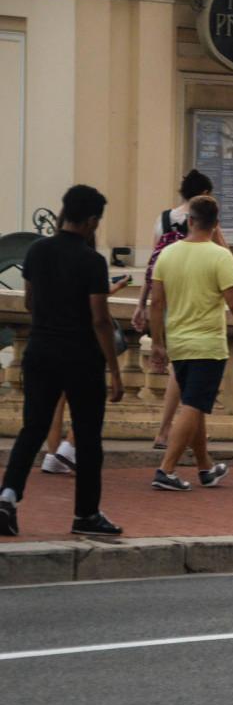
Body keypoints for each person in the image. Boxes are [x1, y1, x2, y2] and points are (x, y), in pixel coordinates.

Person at [0, 185, 125, 536]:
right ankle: (86, 515)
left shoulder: (37, 251)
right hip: (81, 356)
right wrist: (115, 371)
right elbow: (99, 319)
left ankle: (7, 498)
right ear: (90, 220)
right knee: (88, 437)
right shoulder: (92, 260)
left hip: (40, 350)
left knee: (32, 429)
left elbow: (29, 303)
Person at [148, 195, 233, 491]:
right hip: (208, 344)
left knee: (196, 405)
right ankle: (167, 469)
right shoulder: (220, 256)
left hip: (177, 342)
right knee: (193, 406)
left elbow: (156, 303)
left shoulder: (168, 254)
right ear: (216, 225)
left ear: (189, 220)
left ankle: (205, 468)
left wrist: (157, 343)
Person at [134, 170, 227, 451]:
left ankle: (194, 433)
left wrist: (142, 304)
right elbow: (225, 256)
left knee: (183, 367)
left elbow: (153, 267)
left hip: (166, 300)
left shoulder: (163, 220)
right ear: (207, 195)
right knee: (185, 369)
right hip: (197, 302)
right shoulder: (203, 221)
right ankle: (166, 432)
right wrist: (216, 227)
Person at [40, 273, 132, 475]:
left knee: (59, 398)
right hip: (81, 340)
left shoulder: (51, 269)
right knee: (88, 398)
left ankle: (53, 455)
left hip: (54, 338)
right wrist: (118, 286)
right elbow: (93, 300)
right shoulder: (84, 263)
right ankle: (69, 447)